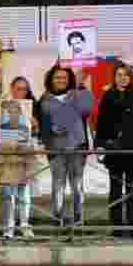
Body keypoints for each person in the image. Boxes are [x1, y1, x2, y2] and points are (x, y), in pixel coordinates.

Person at [37, 65, 94, 227]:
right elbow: (41, 124)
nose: (61, 80)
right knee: (58, 184)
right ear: (51, 80)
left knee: (77, 185)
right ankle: (57, 218)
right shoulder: (44, 99)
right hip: (55, 149)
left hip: (77, 147)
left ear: (70, 80)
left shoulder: (79, 94)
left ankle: (78, 218)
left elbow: (86, 110)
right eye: (57, 77)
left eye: (64, 77)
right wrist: (50, 129)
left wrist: (80, 88)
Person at [96, 64, 133, 237]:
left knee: (132, 188)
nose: (123, 78)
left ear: (130, 77)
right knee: (116, 189)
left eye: (126, 75)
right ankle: (117, 225)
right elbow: (101, 123)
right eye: (119, 75)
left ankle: (132, 225)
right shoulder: (108, 96)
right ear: (114, 77)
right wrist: (100, 144)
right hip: (114, 149)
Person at [0, 76, 40, 239]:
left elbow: (38, 131)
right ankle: (8, 228)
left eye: (24, 89)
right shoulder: (1, 105)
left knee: (24, 193)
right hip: (7, 154)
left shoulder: (31, 105)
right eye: (18, 88)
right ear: (11, 88)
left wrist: (34, 124)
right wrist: (0, 138)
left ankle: (25, 225)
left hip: (25, 155)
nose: (21, 92)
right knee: (7, 193)